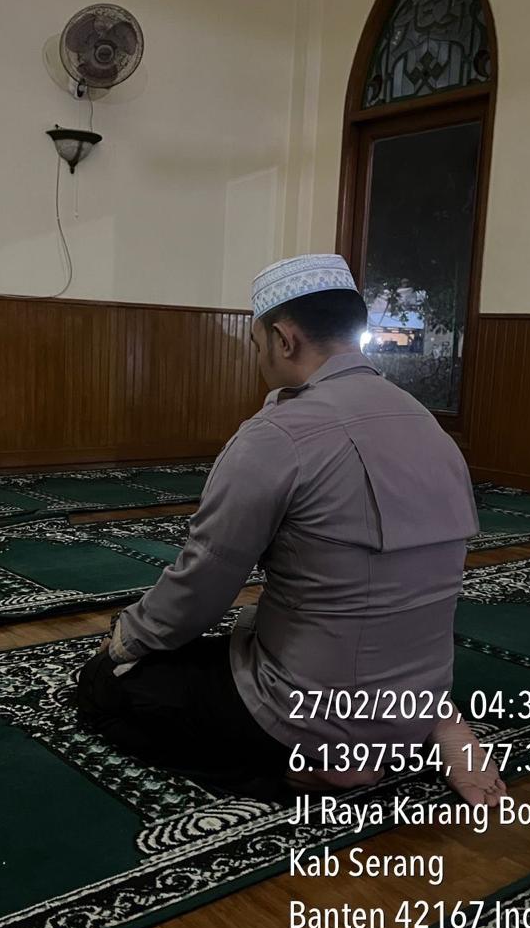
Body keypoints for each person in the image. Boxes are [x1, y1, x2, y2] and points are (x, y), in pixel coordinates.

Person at [75, 254, 505, 806]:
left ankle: (318, 771)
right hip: (418, 695)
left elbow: (202, 583)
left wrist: (125, 639)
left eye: (256, 344)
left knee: (106, 690)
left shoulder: (278, 435)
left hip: (313, 713)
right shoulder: (427, 424)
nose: (258, 358)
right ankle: (437, 725)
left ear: (283, 340)